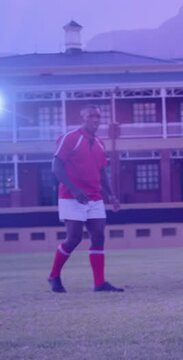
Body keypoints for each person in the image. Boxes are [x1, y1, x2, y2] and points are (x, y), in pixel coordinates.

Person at [47, 104, 123, 293]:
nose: (95, 120)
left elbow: (102, 172)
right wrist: (73, 189)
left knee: (98, 236)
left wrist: (111, 195)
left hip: (95, 197)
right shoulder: (70, 138)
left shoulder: (99, 143)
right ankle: (54, 276)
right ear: (83, 117)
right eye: (91, 116)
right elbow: (56, 167)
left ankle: (99, 283)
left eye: (98, 116)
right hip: (71, 197)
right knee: (73, 238)